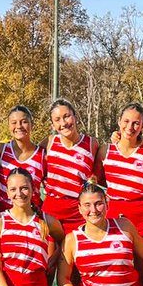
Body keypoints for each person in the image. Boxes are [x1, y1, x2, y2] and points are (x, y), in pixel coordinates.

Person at [97, 102, 143, 242]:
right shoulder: (105, 150)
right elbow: (96, 178)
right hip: (115, 214)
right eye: (126, 121)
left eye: (136, 123)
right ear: (119, 121)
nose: (130, 127)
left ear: (142, 126)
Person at [42, 99, 99, 234]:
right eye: (57, 119)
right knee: (50, 254)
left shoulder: (92, 144)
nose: (63, 123)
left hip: (78, 211)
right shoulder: (49, 142)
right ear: (53, 124)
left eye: (67, 116)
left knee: (77, 253)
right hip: (51, 209)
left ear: (75, 116)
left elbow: (99, 176)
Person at [0, 105, 44, 213]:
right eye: (14, 122)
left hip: (30, 216)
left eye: (24, 121)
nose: (19, 126)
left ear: (32, 125)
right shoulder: (0, 150)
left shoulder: (42, 155)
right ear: (9, 126)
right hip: (2, 216)